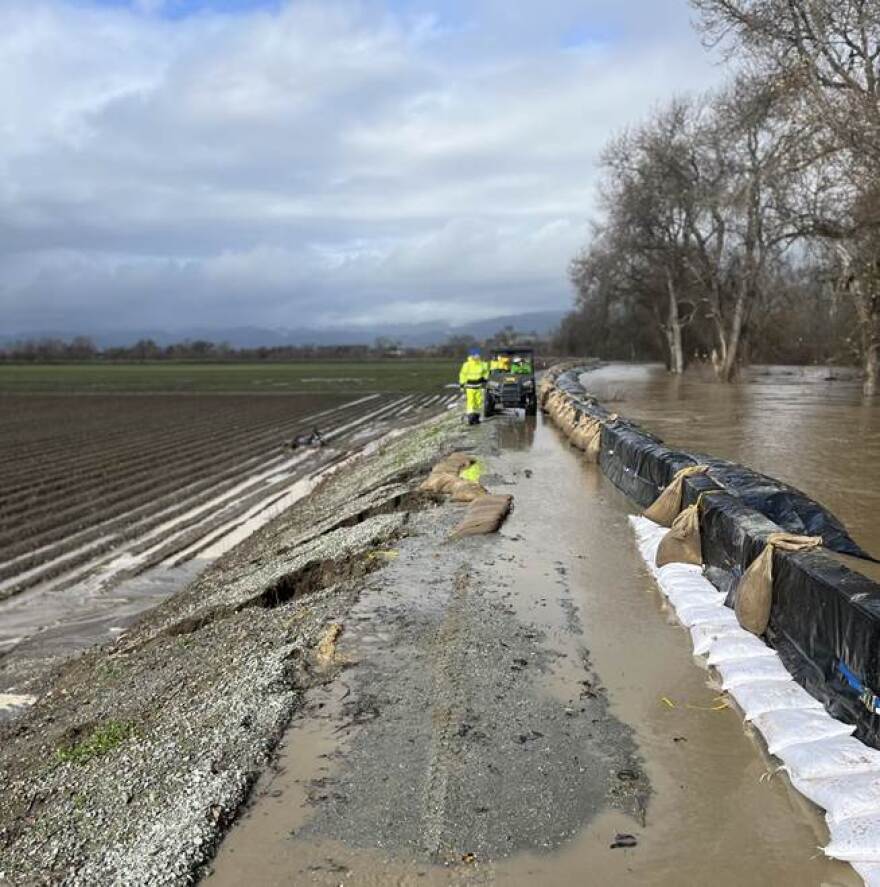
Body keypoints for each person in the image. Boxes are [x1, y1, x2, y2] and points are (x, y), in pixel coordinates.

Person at [459, 348, 488, 425]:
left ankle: (477, 417)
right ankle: (471, 417)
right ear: (471, 356)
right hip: (470, 387)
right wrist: (462, 385)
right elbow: (462, 375)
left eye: (478, 355)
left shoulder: (483, 364)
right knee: (471, 402)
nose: (477, 356)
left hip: (479, 387)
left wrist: (485, 380)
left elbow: (486, 372)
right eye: (475, 355)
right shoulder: (466, 365)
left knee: (479, 402)